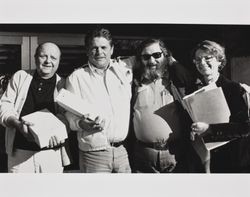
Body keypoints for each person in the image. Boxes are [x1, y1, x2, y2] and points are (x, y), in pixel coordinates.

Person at [65, 28, 132, 173]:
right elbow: (69, 116)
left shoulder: (123, 72)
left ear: (112, 50)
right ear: (87, 51)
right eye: (94, 48)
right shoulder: (77, 77)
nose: (99, 52)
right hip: (94, 155)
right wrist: (81, 124)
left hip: (122, 152)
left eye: (103, 47)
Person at [0, 42, 71, 173]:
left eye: (53, 58)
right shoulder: (20, 77)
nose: (48, 61)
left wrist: (58, 132)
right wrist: (17, 124)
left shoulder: (64, 84)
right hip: (19, 154)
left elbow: (68, 117)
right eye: (43, 56)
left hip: (52, 154)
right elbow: (4, 106)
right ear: (35, 57)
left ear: (59, 61)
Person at [131, 38, 196, 173]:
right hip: (143, 154)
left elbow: (189, 81)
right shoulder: (134, 83)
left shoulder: (175, 80)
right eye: (146, 57)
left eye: (157, 55)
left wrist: (171, 61)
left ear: (165, 55)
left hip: (174, 152)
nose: (152, 61)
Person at [190, 40, 250, 173]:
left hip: (234, 160)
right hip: (207, 159)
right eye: (198, 59)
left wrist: (210, 129)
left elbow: (244, 127)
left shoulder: (234, 88)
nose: (202, 62)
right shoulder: (194, 91)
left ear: (219, 61)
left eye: (208, 58)